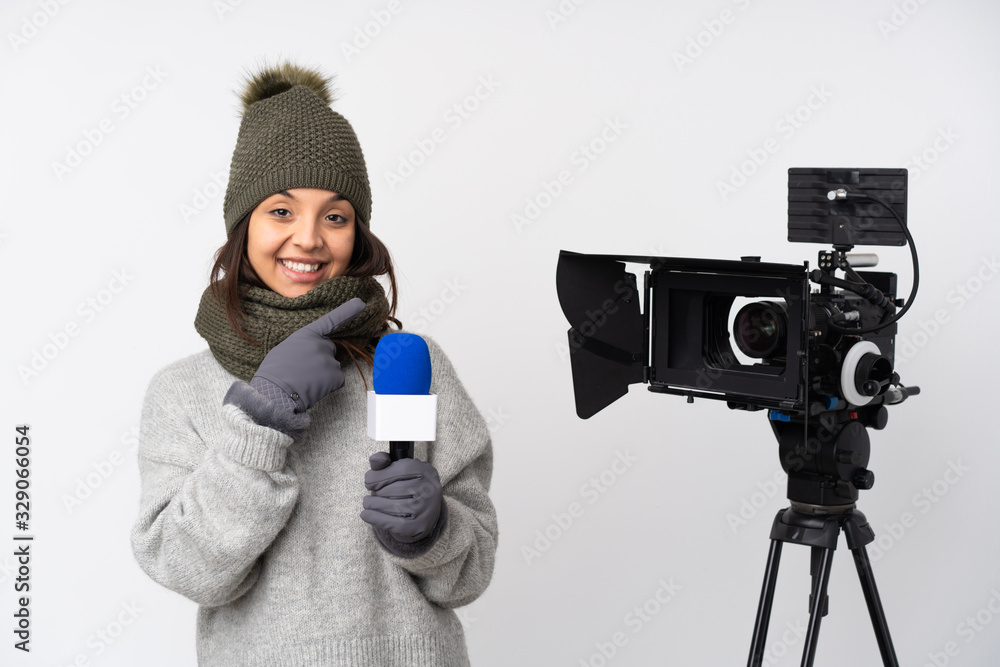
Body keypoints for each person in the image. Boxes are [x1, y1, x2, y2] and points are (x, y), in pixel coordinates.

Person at [130, 62, 497, 667]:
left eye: (335, 216)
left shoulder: (412, 366)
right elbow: (189, 569)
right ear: (241, 225)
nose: (309, 238)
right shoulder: (182, 392)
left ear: (358, 234)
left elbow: (469, 574)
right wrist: (261, 421)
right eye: (281, 211)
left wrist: (433, 532)